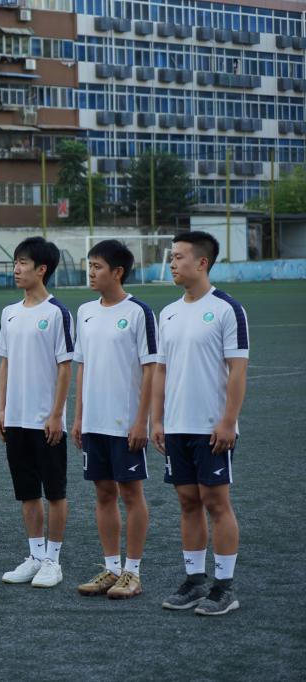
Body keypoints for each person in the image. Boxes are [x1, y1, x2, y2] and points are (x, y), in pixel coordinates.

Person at [152, 231, 248, 616]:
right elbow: (161, 370)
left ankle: (224, 587)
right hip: (177, 426)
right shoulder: (168, 313)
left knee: (216, 502)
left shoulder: (227, 309)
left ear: (202, 262)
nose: (172, 263)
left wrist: (228, 421)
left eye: (179, 257)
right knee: (187, 501)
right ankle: (194, 581)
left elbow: (237, 369)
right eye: (171, 257)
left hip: (212, 427)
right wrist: (157, 419)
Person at [70, 240, 156, 599]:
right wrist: (78, 417)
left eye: (97, 267)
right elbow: (82, 366)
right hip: (94, 422)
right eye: (89, 265)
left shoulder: (139, 312)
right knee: (103, 493)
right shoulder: (85, 311)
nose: (90, 273)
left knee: (130, 493)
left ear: (117, 272)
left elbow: (151, 369)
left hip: (125, 422)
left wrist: (141, 421)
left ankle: (133, 572)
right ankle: (111, 568)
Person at [0, 236, 73, 588]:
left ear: (42, 269)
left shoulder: (56, 313)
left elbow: (65, 367)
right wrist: (2, 409)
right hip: (16, 419)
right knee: (27, 491)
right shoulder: (9, 313)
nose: (16, 269)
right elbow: (5, 363)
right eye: (15, 262)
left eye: (23, 263)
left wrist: (56, 414)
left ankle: (53, 561)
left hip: (46, 420)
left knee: (54, 492)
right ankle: (35, 555)